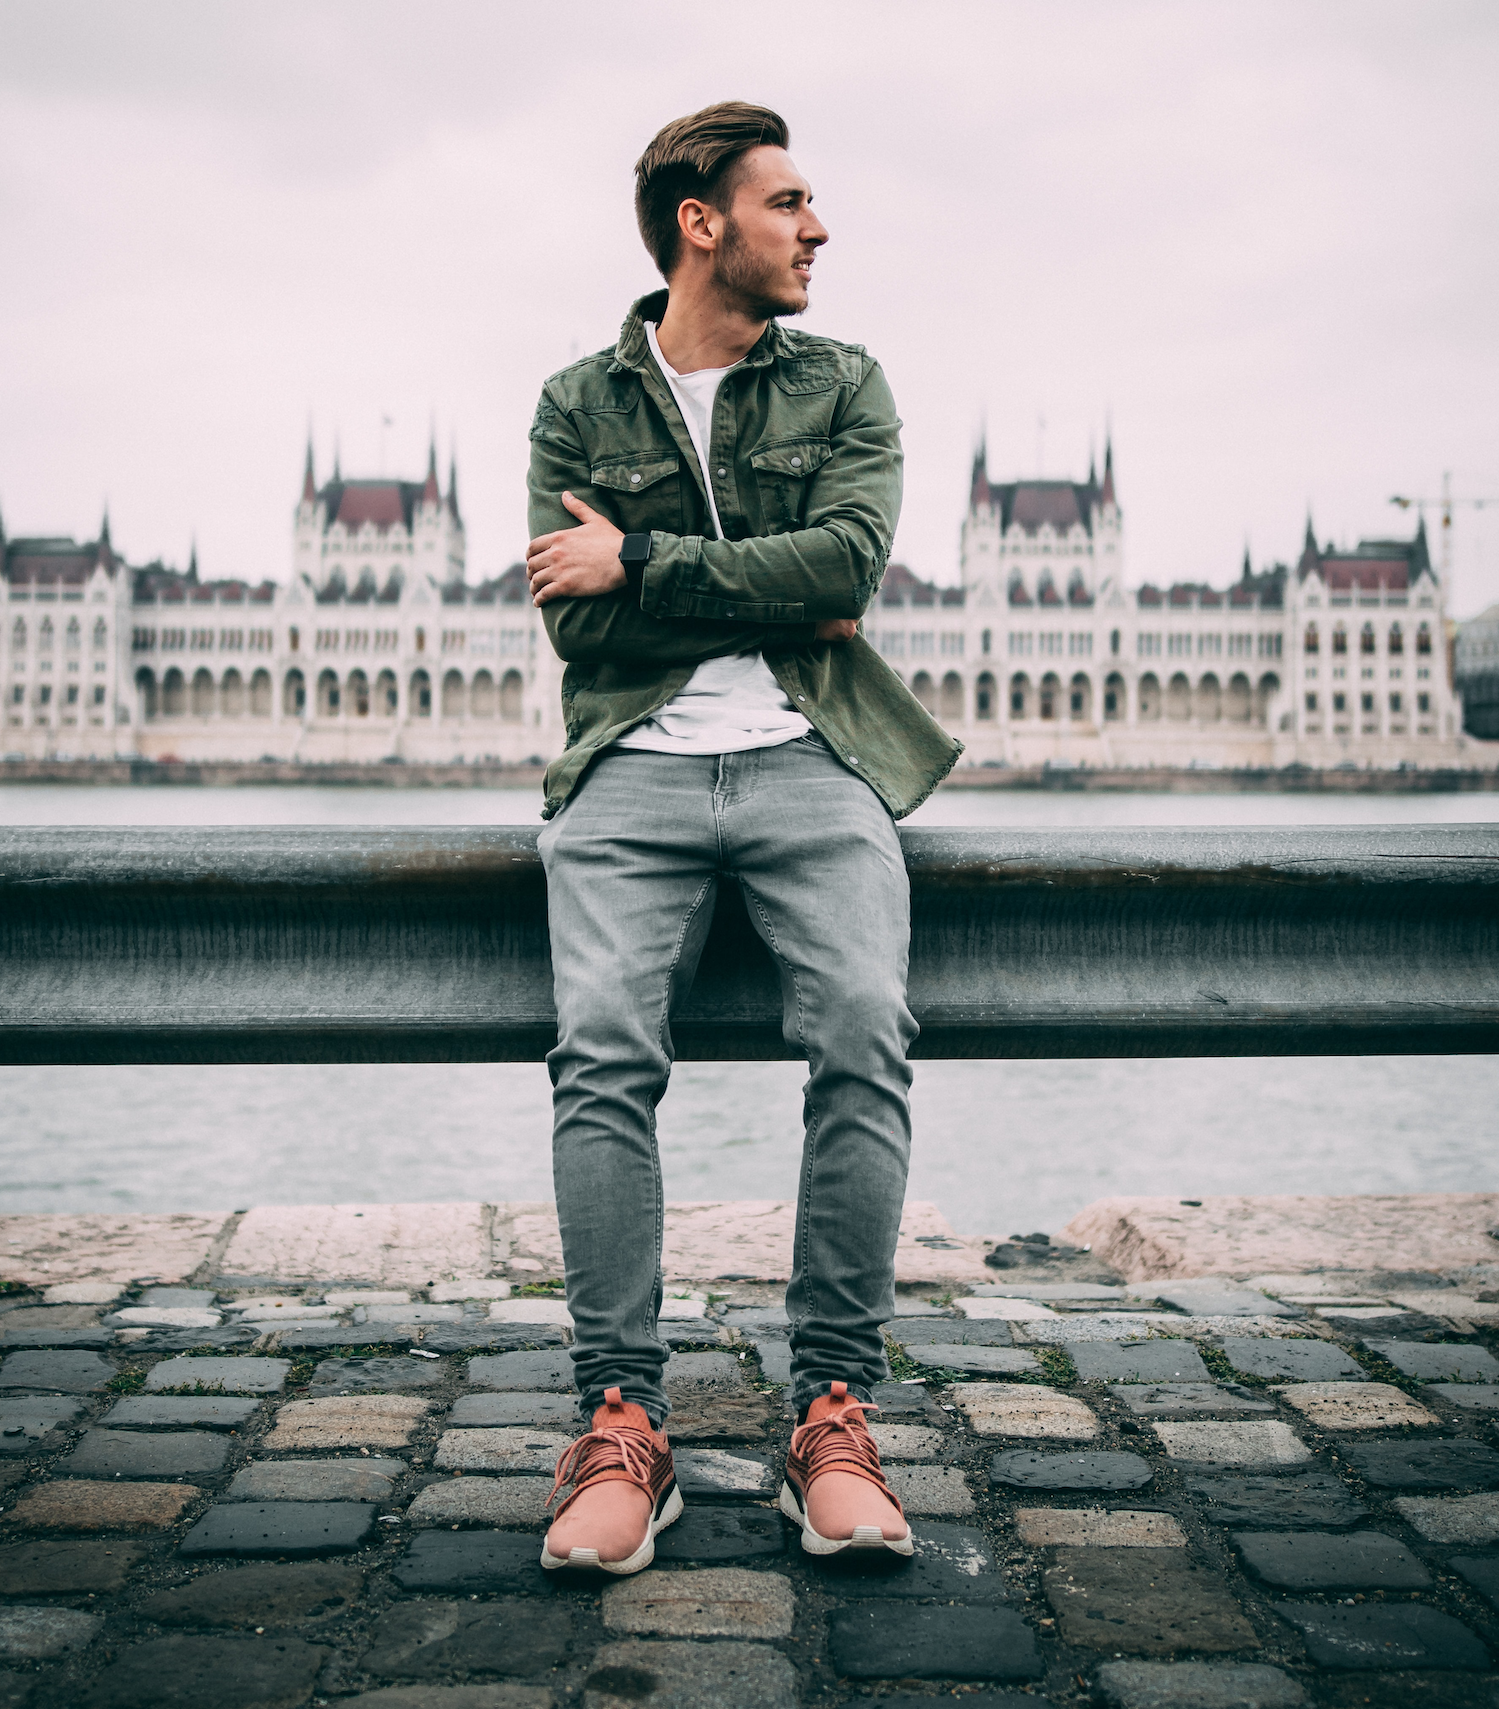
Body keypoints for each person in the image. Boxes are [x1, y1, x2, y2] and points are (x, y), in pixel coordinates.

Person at [524, 100, 961, 1575]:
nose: (817, 228)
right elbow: (570, 613)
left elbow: (845, 569)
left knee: (861, 1029)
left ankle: (829, 1411)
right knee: (600, 1053)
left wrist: (643, 551)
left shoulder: (844, 380)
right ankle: (621, 1422)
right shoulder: (578, 400)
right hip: (631, 765)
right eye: (788, 203)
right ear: (698, 221)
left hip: (813, 756)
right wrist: (764, 588)